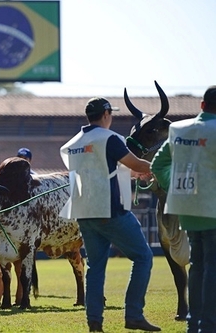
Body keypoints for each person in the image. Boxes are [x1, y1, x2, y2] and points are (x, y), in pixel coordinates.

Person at [59, 97, 161, 332]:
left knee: (95, 268)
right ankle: (133, 314)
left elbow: (100, 169)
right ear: (106, 113)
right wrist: (157, 168)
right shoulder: (110, 138)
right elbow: (135, 162)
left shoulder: (73, 143)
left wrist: (132, 173)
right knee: (143, 257)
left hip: (83, 211)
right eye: (111, 113)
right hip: (110, 209)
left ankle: (94, 322)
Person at [151, 86, 216, 333]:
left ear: (201, 105)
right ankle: (209, 324)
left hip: (186, 207)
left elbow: (158, 165)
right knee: (211, 265)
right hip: (212, 207)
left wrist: (178, 185)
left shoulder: (178, 129)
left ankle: (194, 322)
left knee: (198, 265)